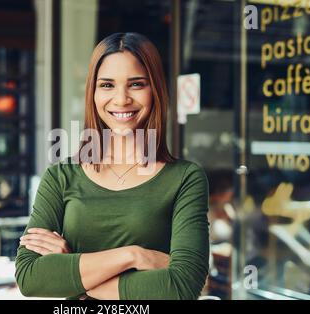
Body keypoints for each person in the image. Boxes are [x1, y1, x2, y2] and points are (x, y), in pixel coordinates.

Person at [15, 32, 210, 300]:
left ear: (155, 90)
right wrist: (133, 256)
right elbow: (30, 277)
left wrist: (73, 271)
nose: (121, 100)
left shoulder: (185, 178)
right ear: (92, 93)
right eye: (107, 85)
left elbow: (182, 286)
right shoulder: (61, 176)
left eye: (136, 84)